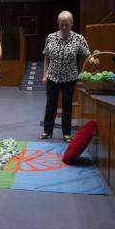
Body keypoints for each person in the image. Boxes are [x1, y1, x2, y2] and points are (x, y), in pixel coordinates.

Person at [40, 11, 98, 142]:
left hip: (70, 77)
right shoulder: (50, 37)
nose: (64, 27)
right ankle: (47, 131)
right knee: (50, 104)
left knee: (67, 105)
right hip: (52, 77)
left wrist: (93, 60)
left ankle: (66, 133)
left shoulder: (79, 38)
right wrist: (45, 74)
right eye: (61, 25)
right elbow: (46, 57)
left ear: (72, 23)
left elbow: (87, 54)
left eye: (67, 24)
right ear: (58, 24)